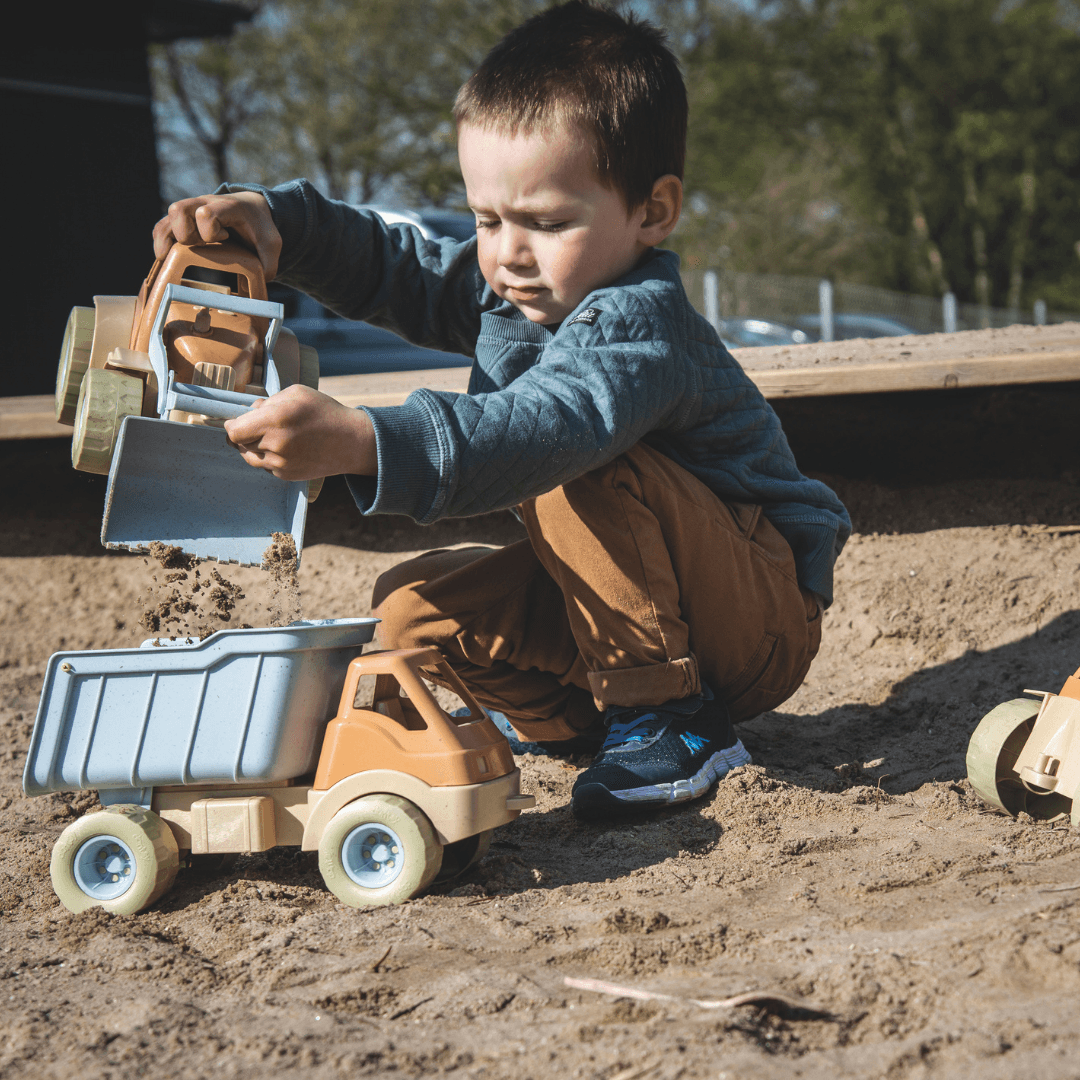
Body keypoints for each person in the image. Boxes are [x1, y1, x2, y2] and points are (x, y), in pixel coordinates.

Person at [153, 0, 850, 821]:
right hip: (655, 604)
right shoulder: (515, 291)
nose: (508, 252)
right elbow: (397, 267)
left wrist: (364, 440)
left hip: (754, 613)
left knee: (576, 459)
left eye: (547, 222)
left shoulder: (639, 323)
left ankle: (667, 712)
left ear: (652, 212)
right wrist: (282, 224)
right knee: (408, 618)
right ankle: (579, 726)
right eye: (488, 218)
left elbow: (542, 428)